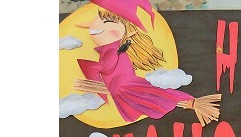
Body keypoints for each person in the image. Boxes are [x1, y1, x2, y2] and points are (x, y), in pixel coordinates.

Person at [74, 0, 221, 126]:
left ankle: (190, 102)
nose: (93, 26)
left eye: (106, 21)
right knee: (153, 96)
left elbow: (107, 67)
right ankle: (190, 102)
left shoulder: (113, 50)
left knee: (156, 95)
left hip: (122, 85)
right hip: (118, 86)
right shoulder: (113, 49)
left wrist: (96, 66)